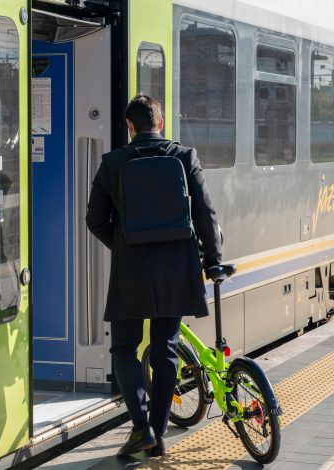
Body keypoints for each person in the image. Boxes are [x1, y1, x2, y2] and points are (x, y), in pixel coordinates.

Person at [86, 95, 223, 457]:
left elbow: (94, 220)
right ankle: (157, 433)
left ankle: (143, 427)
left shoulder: (114, 162)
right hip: (177, 269)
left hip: (131, 270)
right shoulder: (184, 157)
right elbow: (206, 216)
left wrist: (124, 243)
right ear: (159, 123)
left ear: (130, 127)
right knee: (164, 350)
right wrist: (212, 261)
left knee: (124, 348)